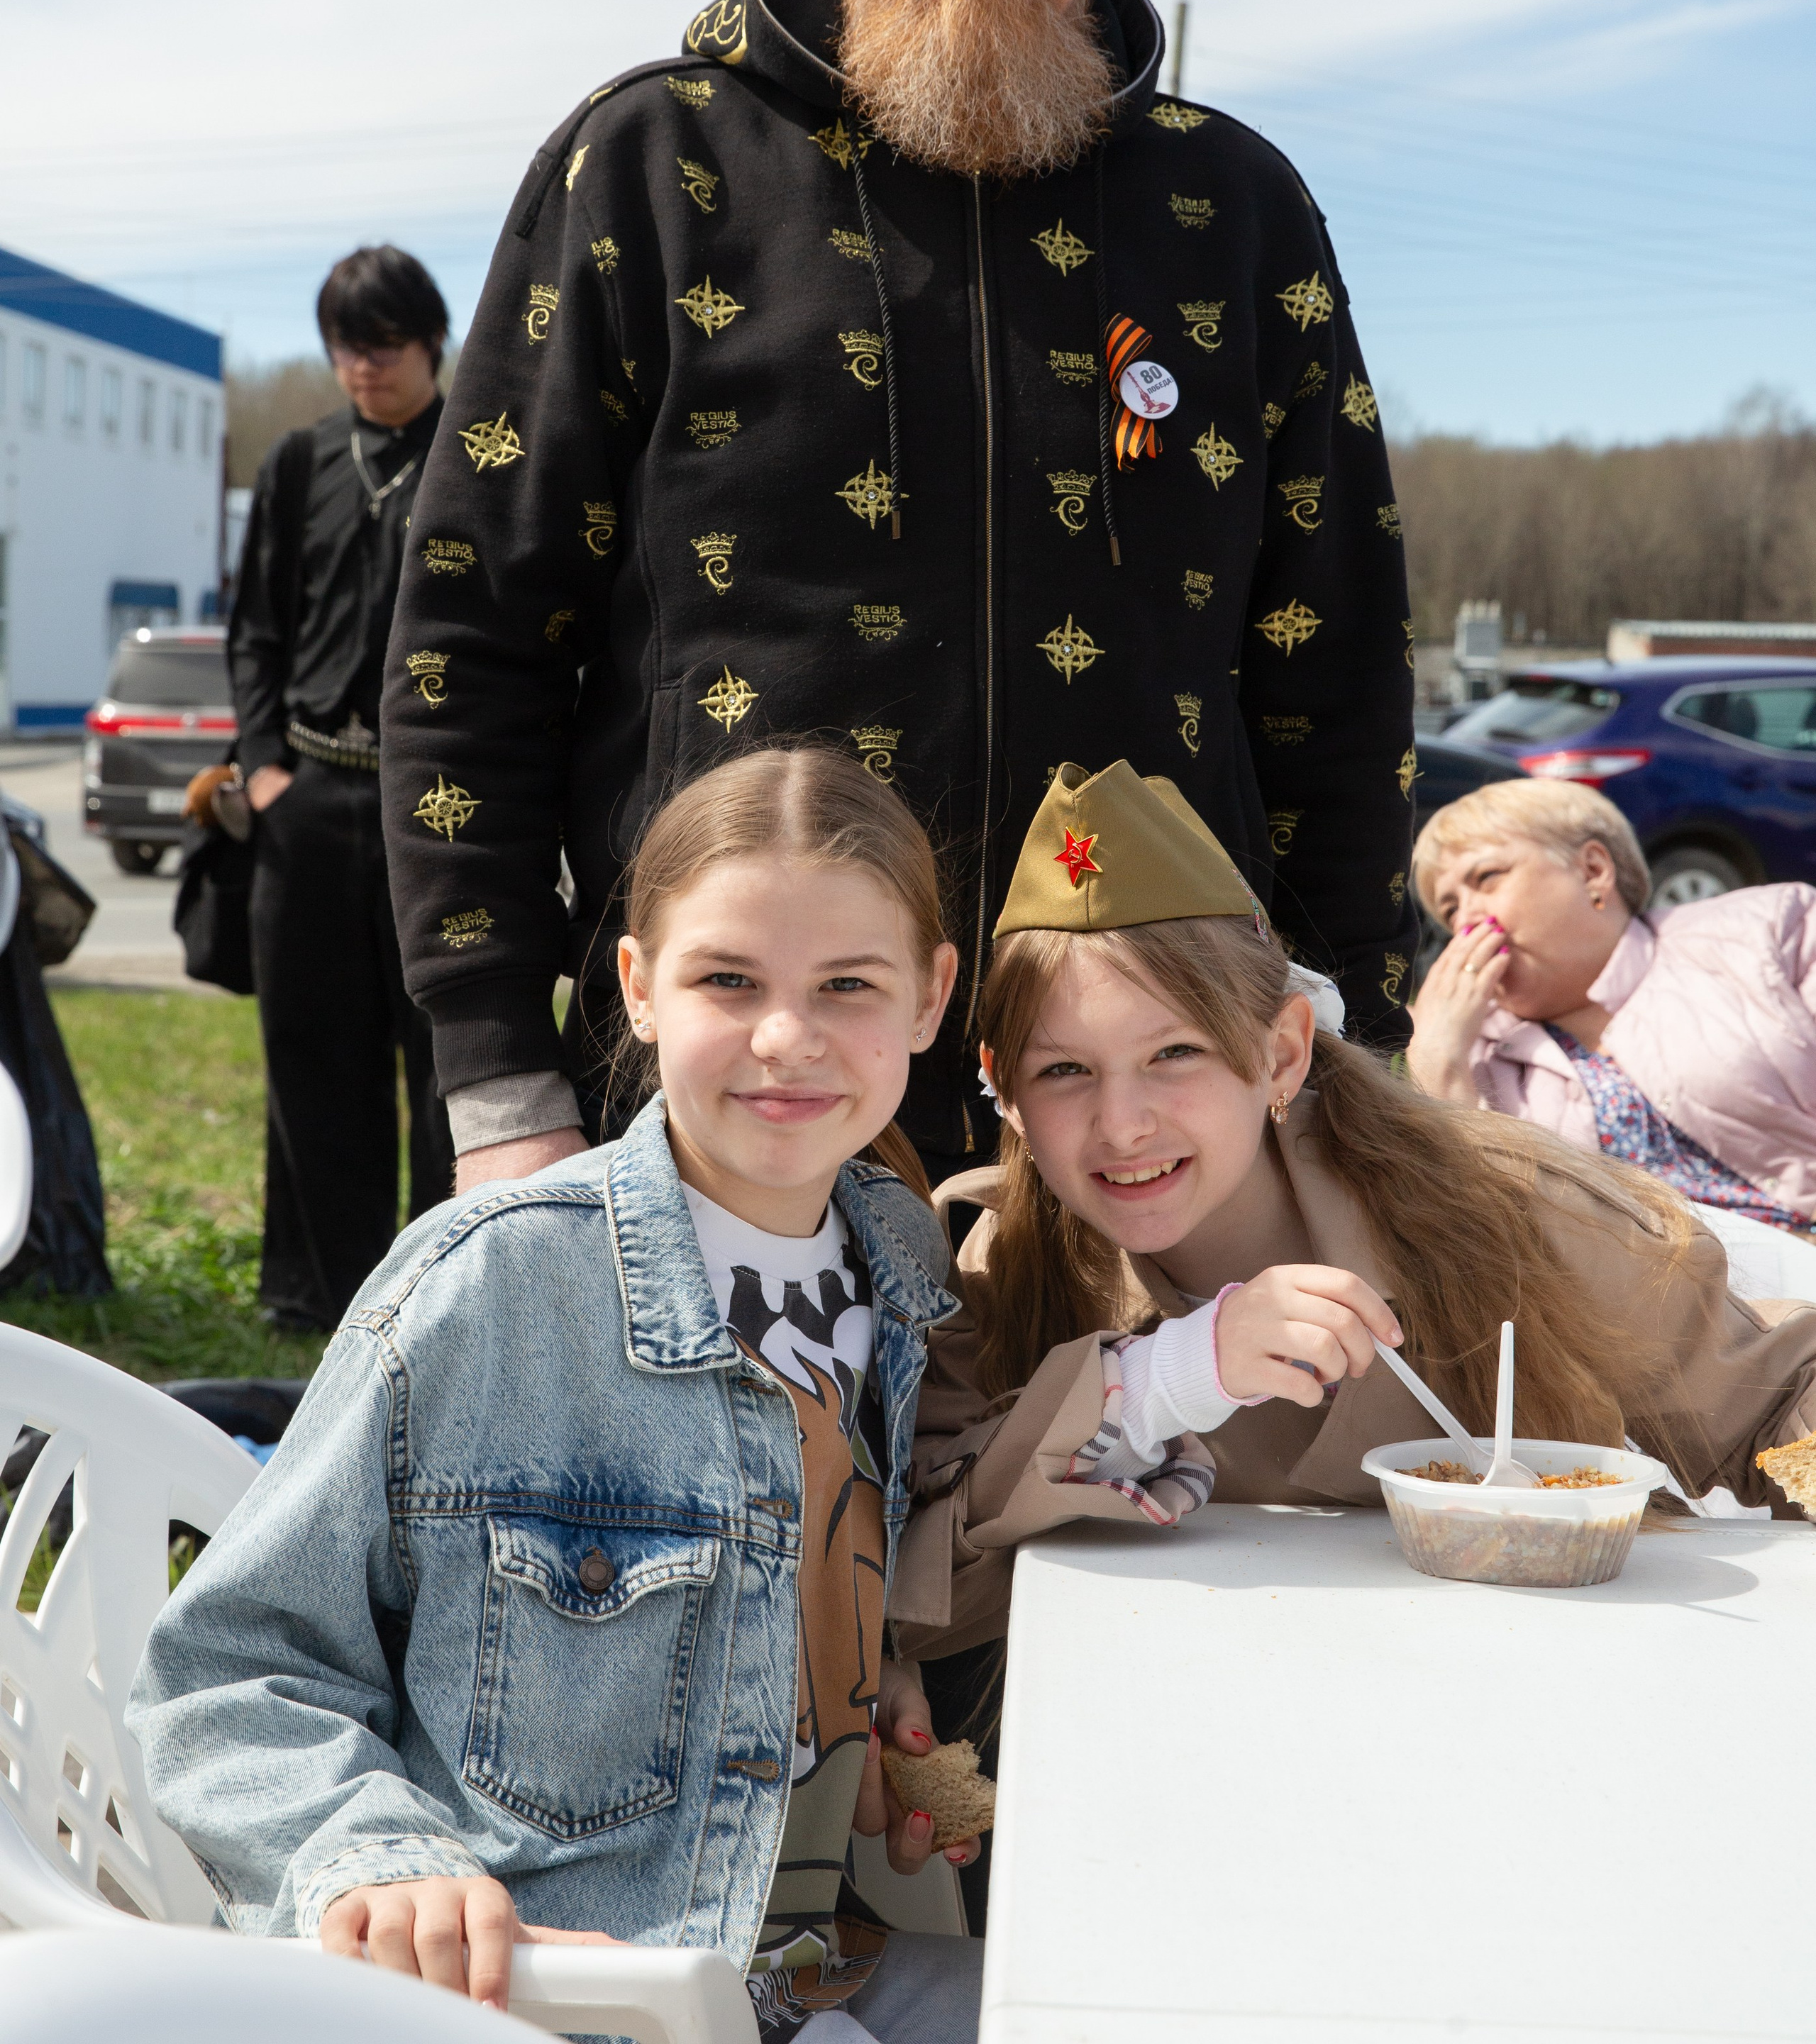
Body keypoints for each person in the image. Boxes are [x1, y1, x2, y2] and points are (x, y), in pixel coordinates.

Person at [380, 0, 1420, 1201]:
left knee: (1133, 1460)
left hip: (1138, 1144)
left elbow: (1331, 669)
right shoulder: (651, 169)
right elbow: (471, 642)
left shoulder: (1233, 212)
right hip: (721, 1124)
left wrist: (1347, 1032)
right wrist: (499, 1078)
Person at [129, 748, 984, 2043]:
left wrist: (872, 1667)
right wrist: (376, 1857)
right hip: (558, 1988)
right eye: (727, 978)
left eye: (848, 985)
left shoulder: (898, 1258)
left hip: (808, 1965)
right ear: (638, 986)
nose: (786, 1036)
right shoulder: (497, 1282)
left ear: (931, 997)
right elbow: (226, 1668)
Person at [885, 761, 1816, 1660]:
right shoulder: (1008, 1273)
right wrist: (1155, 1384)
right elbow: (919, 1598)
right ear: (1005, 1092)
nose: (1122, 1123)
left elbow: (1772, 1403)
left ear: (1283, 1054)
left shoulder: (1498, 1203)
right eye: (1063, 1070)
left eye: (1176, 1052)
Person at [226, 245, 456, 1331]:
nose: (364, 367)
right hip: (308, 796)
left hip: (436, 807)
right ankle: (316, 1293)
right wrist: (264, 765)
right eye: (344, 348)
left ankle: (438, 1287)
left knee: (445, 1064)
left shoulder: (478, 451)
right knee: (313, 1057)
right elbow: (255, 631)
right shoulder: (297, 461)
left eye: (384, 345)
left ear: (432, 340)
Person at [1407, 777, 1816, 1231]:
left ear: (1593, 871)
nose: (1465, 918)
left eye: (1486, 877)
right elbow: (1480, 1239)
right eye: (1449, 911)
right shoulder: (1473, 1055)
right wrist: (1438, 1066)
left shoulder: (1770, 932)